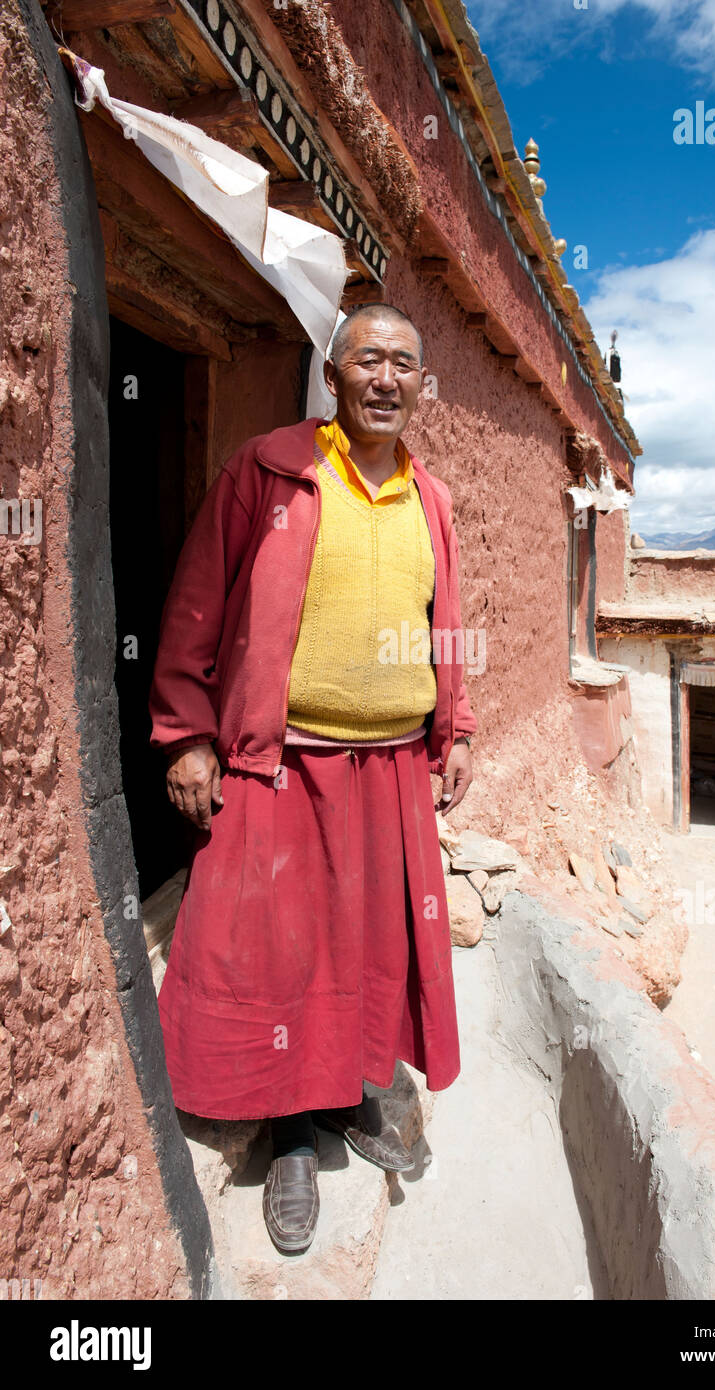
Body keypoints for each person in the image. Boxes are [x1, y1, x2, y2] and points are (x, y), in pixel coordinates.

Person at [148, 303, 477, 1253]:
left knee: (371, 943)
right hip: (283, 759)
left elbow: (443, 620)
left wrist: (453, 726)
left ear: (422, 386)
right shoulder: (272, 469)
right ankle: (290, 1134)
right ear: (333, 377)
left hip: (391, 765)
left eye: (403, 365)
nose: (385, 378)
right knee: (281, 948)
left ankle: (354, 1090)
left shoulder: (432, 499)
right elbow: (198, 600)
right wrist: (186, 735)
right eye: (366, 360)